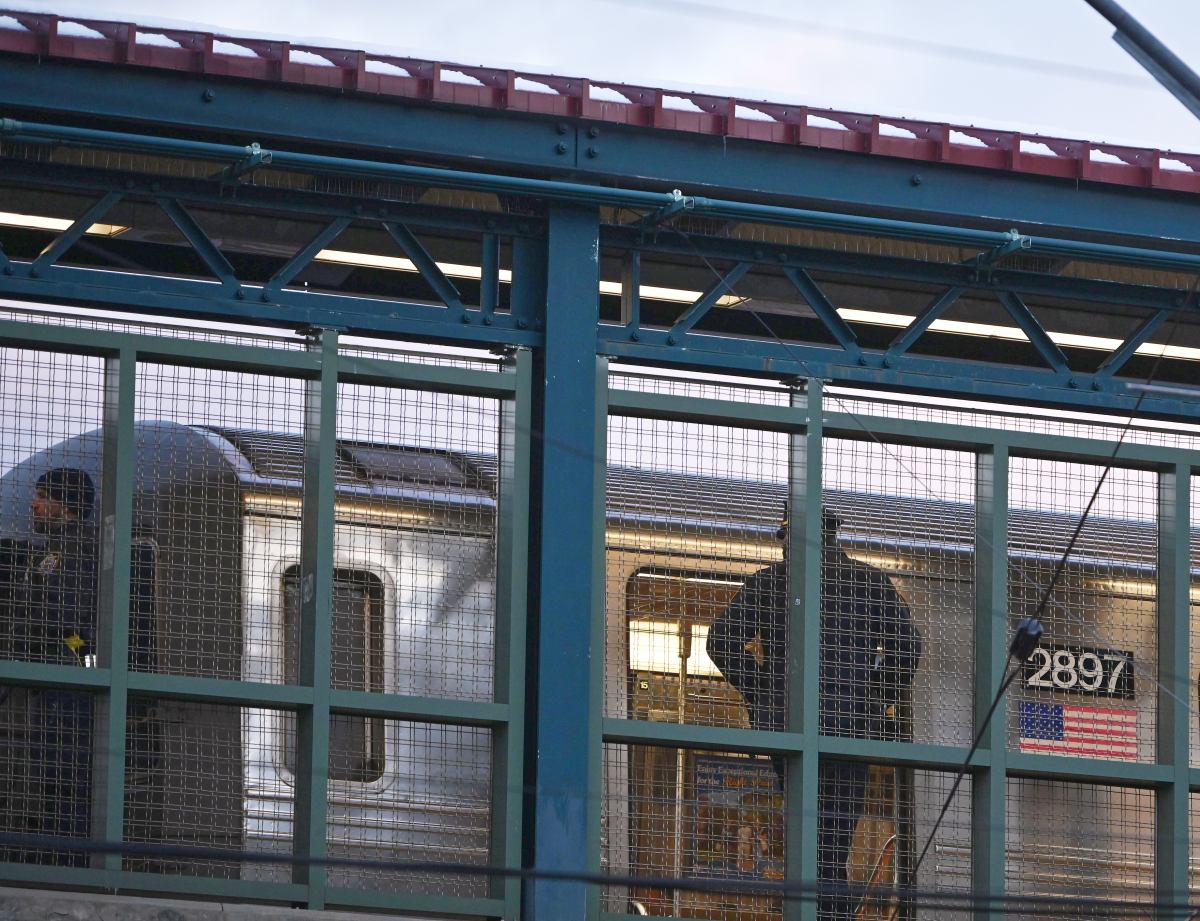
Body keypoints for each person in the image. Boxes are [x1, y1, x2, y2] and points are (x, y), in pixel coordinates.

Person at [706, 506, 921, 920]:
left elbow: (720, 641)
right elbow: (907, 647)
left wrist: (765, 692)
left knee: (809, 837)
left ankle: (813, 910)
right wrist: (873, 699)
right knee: (833, 839)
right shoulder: (868, 581)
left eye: (784, 538)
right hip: (849, 732)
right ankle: (827, 911)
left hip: (788, 727)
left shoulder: (772, 582)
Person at [22, 468, 99, 866]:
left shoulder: (75, 549)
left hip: (69, 686)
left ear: (64, 506)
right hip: (59, 677)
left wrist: (80, 659)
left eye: (42, 495)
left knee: (65, 775)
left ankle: (68, 864)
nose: (33, 503)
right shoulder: (53, 549)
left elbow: (70, 622)